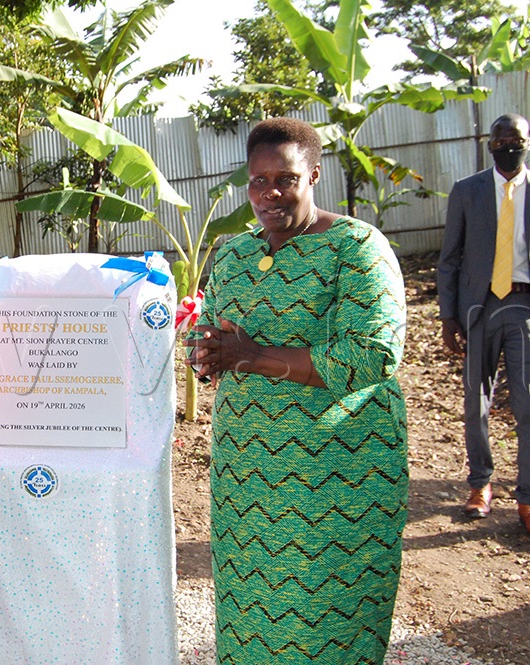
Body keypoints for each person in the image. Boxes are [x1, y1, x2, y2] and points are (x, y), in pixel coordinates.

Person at [186, 117, 408, 664]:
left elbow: (373, 354)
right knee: (250, 608)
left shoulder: (356, 248)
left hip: (333, 474)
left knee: (327, 613)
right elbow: (212, 329)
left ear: (312, 175)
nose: (269, 194)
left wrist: (253, 357)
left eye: (284, 179)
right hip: (247, 476)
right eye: (258, 181)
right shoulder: (234, 254)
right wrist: (207, 353)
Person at [437, 113, 530, 539]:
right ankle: (480, 485)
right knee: (476, 401)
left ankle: (529, 501)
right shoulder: (467, 192)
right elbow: (450, 258)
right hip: (479, 309)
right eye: (500, 139)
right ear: (488, 144)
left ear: (529, 143)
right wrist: (448, 316)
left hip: (528, 307)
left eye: (516, 139)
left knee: (529, 403)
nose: (508, 146)